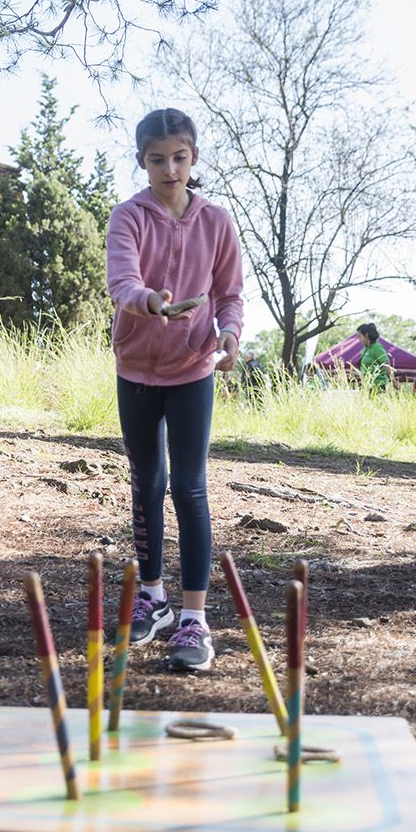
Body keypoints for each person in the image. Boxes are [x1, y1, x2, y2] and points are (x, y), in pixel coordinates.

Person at [106, 108, 243, 673]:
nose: (170, 168)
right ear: (142, 161)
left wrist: (230, 334)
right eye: (158, 159)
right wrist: (154, 304)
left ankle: (193, 617)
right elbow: (122, 282)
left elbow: (230, 294)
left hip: (192, 369)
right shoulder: (127, 217)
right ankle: (153, 598)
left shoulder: (217, 221)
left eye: (179, 157)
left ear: (194, 158)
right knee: (148, 482)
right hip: (136, 368)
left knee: (188, 487)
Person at [356, 322, 391, 390]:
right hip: (366, 384)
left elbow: (386, 364)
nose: (359, 339)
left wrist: (393, 380)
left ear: (366, 335)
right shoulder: (365, 349)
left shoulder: (377, 348)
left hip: (378, 385)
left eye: (360, 336)